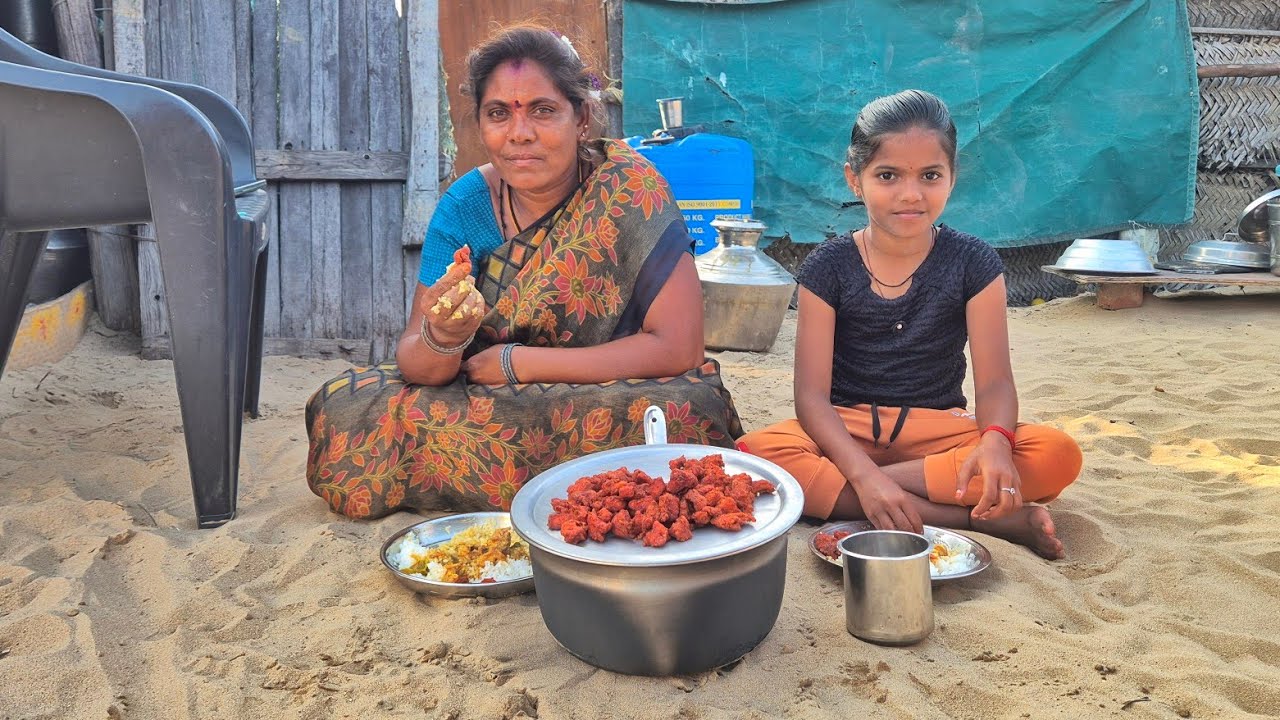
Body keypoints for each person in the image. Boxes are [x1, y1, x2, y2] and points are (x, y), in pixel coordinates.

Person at [305, 24, 742, 519]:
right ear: (481, 125)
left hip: (609, 384)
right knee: (347, 412)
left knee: (687, 411)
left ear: (581, 119)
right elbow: (418, 366)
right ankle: (583, 487)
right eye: (498, 114)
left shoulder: (629, 189)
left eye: (542, 110)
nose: (519, 134)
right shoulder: (466, 207)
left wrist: (521, 363)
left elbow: (679, 347)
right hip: (485, 391)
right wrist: (443, 337)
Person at [739, 90, 1080, 559]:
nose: (910, 194)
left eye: (930, 175)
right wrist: (861, 469)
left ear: (953, 178)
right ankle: (972, 518)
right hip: (848, 428)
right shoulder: (827, 266)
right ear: (854, 179)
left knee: (1055, 453)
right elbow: (811, 399)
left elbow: (997, 380)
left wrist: (996, 443)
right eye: (887, 175)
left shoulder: (973, 262)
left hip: (938, 434)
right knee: (754, 455)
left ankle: (861, 498)